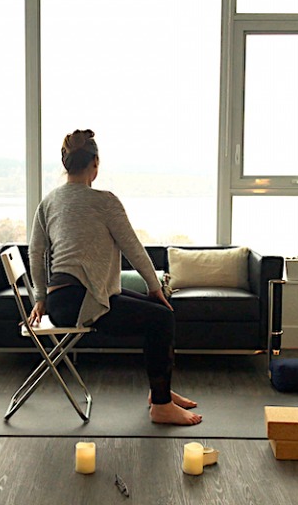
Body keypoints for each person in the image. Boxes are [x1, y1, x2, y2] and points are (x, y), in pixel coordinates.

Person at [27, 129, 202, 426]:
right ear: (95, 163)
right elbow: (133, 248)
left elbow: (35, 253)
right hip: (85, 302)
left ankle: (160, 392)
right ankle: (161, 405)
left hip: (62, 302)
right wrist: (154, 287)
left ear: (65, 163)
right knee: (162, 318)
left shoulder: (49, 202)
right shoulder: (104, 201)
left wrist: (41, 299)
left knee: (158, 312)